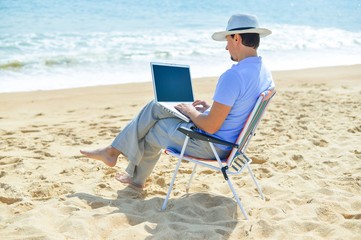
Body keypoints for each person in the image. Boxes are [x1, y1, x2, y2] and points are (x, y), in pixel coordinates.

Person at [80, 14, 275, 189]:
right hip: (232, 143)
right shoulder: (263, 72)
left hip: (213, 145)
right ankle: (122, 162)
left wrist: (191, 111)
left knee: (155, 125)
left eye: (227, 40)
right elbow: (237, 108)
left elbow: (212, 126)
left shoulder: (233, 76)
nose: (226, 47)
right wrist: (211, 108)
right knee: (156, 107)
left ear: (237, 38)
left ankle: (119, 159)